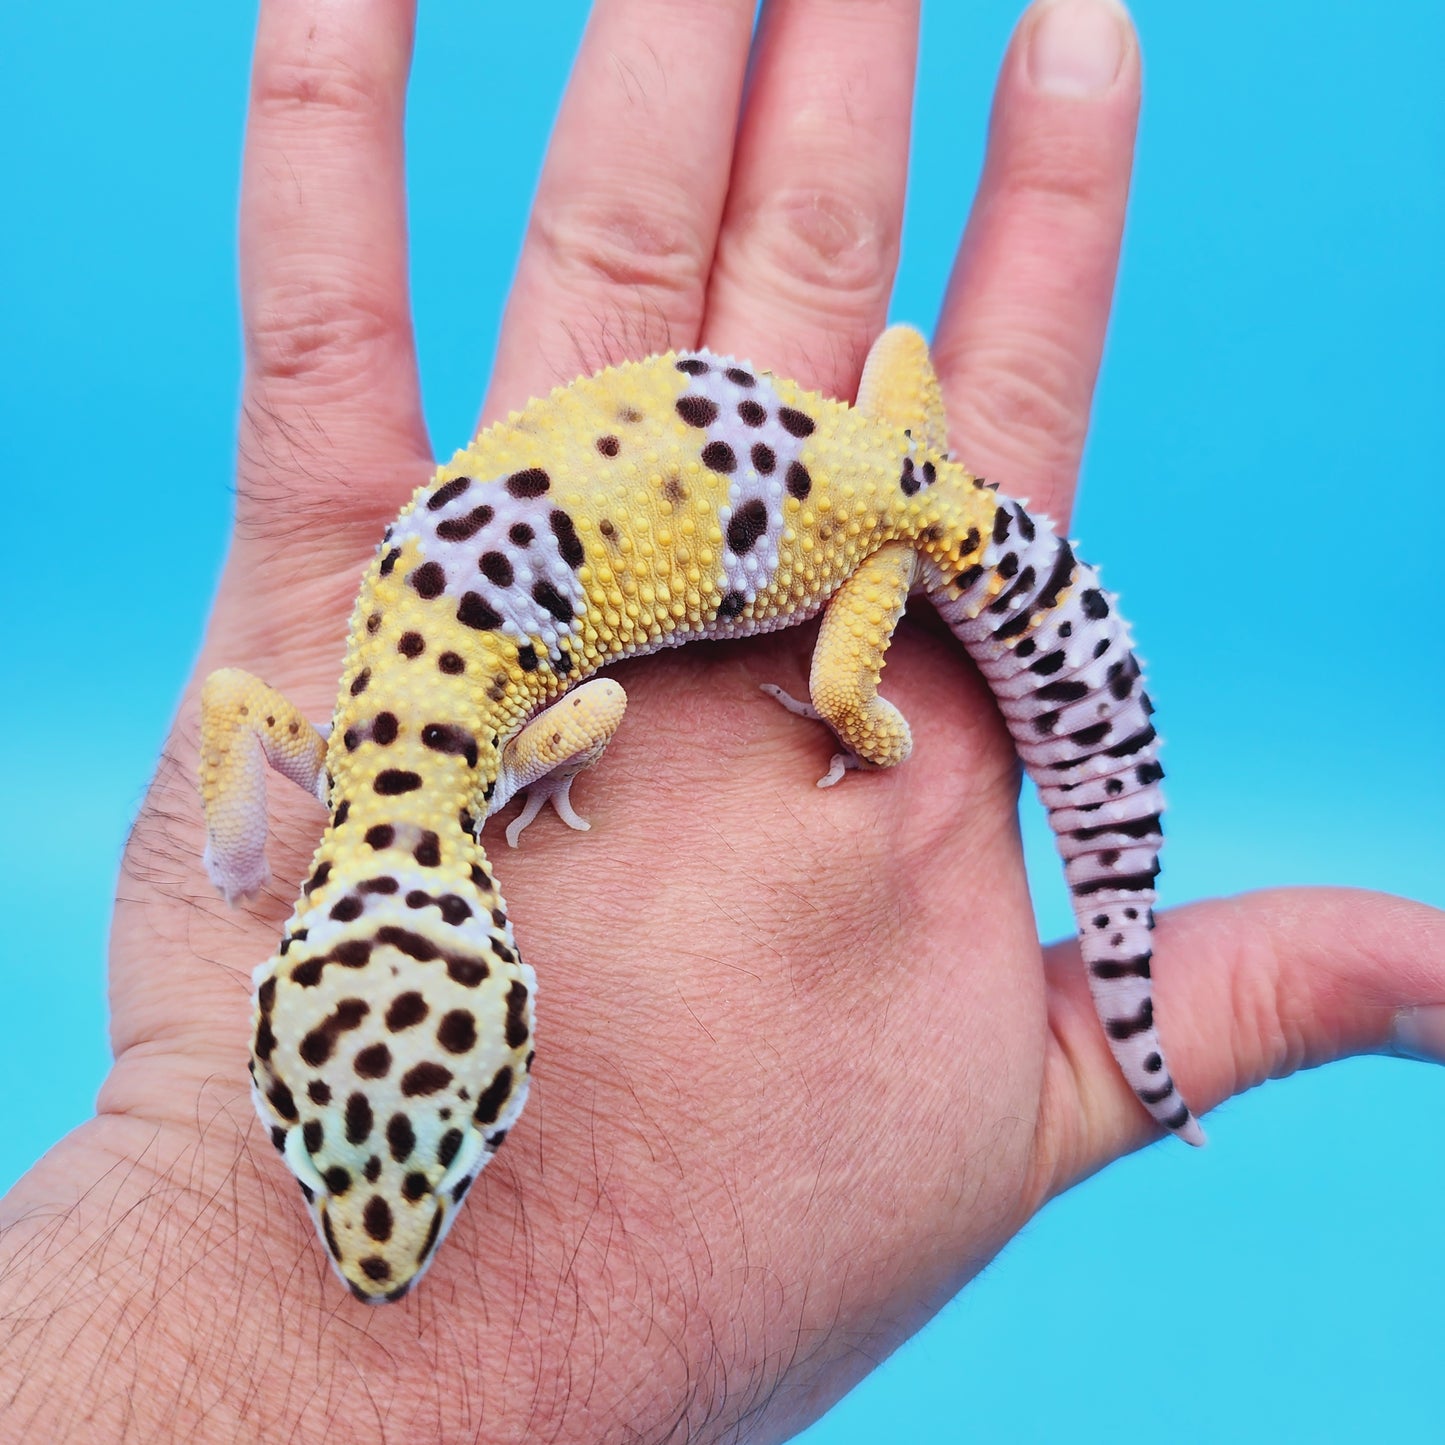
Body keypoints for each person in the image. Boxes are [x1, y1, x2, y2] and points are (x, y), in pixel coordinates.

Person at [2, 0, 1440, 1438]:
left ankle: (881, 703)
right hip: (878, 439)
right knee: (893, 390)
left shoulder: (460, 756)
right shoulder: (370, 744)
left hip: (866, 543)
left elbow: (593, 710)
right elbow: (281, 709)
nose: (381, 1230)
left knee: (840, 693)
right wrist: (253, 846)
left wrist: (863, 734)